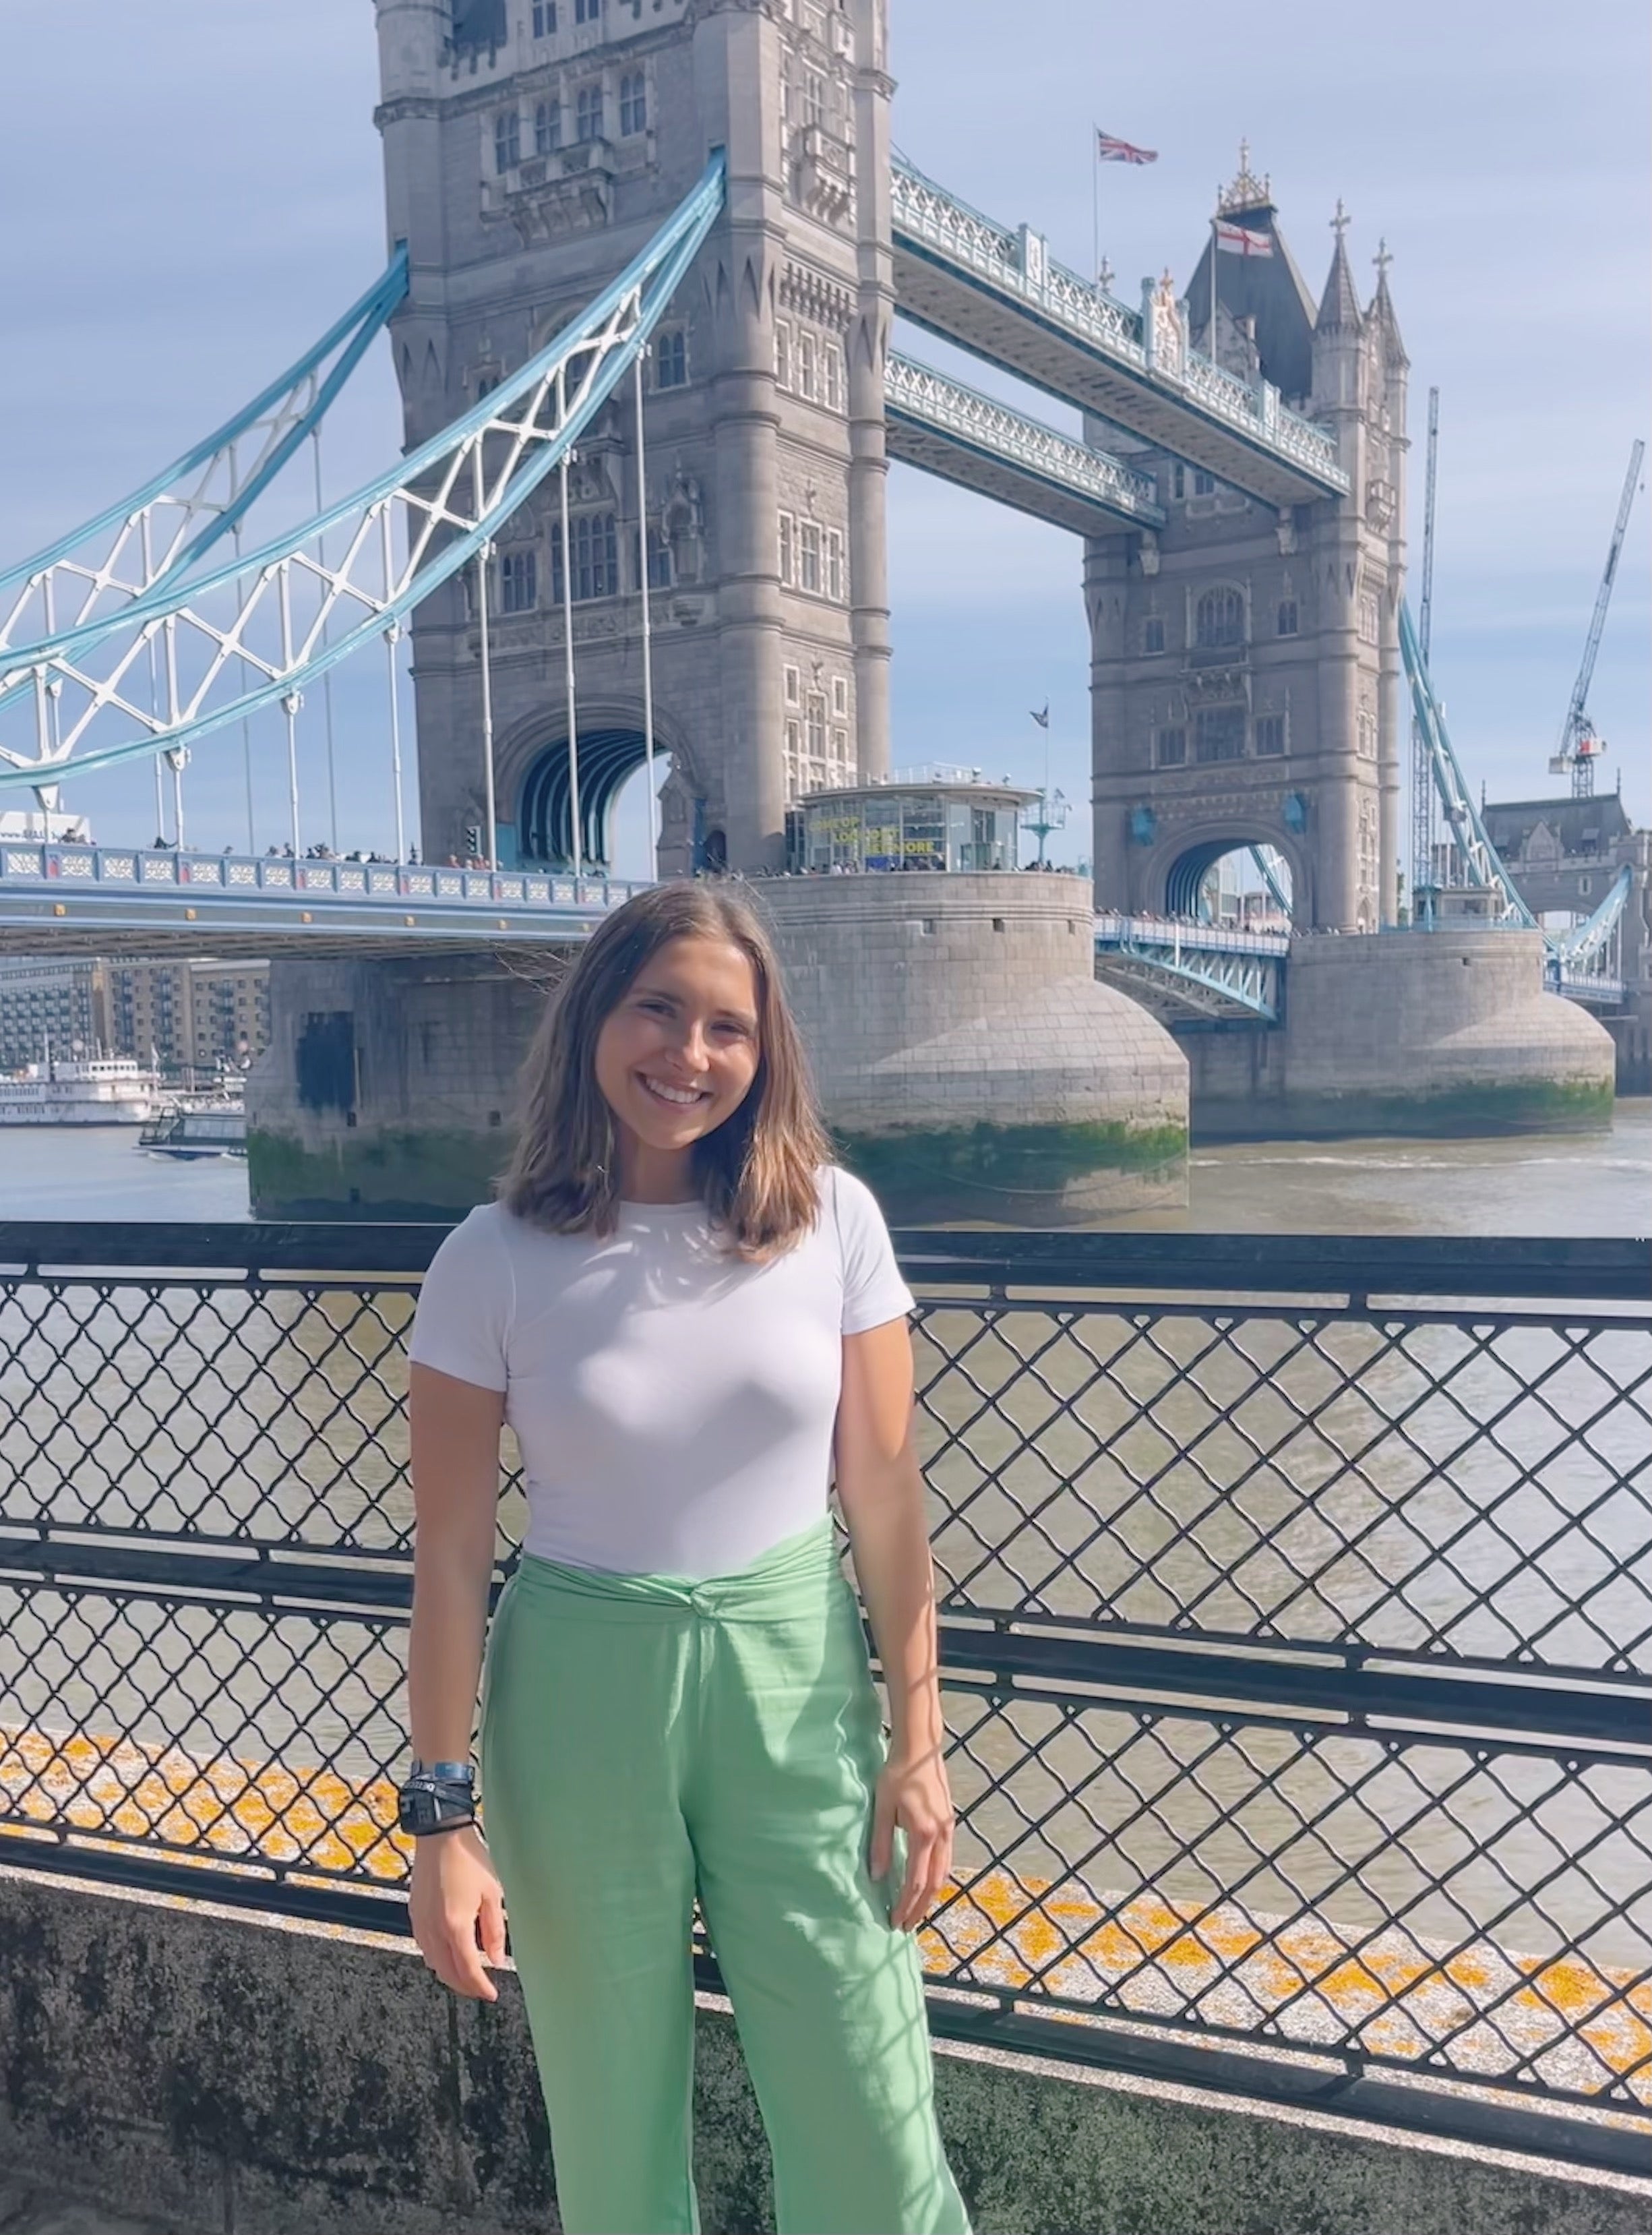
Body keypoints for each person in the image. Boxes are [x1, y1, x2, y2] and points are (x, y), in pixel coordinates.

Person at [401, 882, 970, 2235]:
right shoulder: (491, 1257)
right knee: (613, 2123)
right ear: (594, 1015)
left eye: (729, 1024)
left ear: (765, 1050)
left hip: (795, 1679)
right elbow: (448, 1554)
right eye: (657, 1008)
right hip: (578, 1690)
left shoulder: (832, 1220)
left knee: (871, 2102)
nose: (689, 1053)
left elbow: (884, 1494)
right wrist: (441, 1821)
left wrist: (919, 1737)